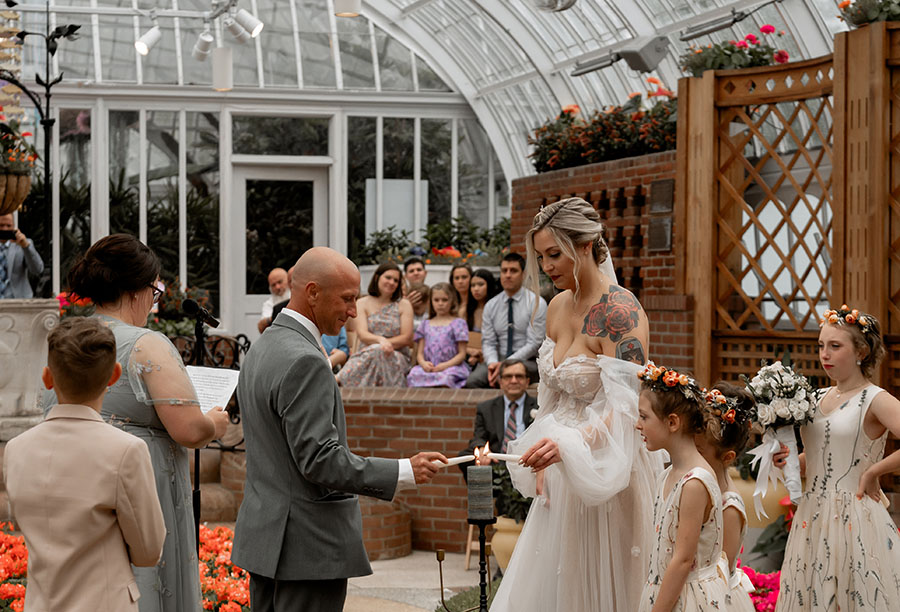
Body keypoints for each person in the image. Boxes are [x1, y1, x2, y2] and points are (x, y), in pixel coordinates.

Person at [231, 247, 447, 612]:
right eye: (347, 299)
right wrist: (403, 470)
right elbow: (319, 461)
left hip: (268, 542)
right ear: (312, 292)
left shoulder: (263, 346)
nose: (352, 311)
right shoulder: (305, 359)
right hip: (307, 548)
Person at [490, 197, 661, 612]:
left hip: (608, 465)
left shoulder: (620, 313)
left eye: (554, 254)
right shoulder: (557, 305)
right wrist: (548, 447)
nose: (547, 267)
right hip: (561, 468)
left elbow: (627, 408)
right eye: (541, 257)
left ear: (585, 245)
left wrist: (568, 444)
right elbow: (551, 393)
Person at [54, 234, 230, 612]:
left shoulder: (69, 336)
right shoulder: (146, 344)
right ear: (137, 290)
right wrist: (215, 423)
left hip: (74, 482)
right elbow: (188, 429)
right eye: (156, 289)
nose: (155, 299)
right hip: (139, 486)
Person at [4, 317, 166, 612]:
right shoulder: (126, 450)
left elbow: (23, 523)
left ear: (47, 378)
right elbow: (148, 551)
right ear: (114, 375)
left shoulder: (15, 450)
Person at [774, 305, 900, 611]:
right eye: (821, 346)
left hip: (855, 516)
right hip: (812, 516)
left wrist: (874, 472)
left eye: (835, 346)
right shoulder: (815, 398)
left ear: (861, 351)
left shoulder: (875, 398)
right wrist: (789, 461)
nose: (825, 354)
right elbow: (818, 457)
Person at [636, 364, 730, 612]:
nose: (638, 424)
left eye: (644, 417)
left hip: (689, 599)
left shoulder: (694, 482)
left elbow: (683, 560)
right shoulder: (667, 474)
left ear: (673, 422)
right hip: (666, 590)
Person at [696, 383, 756, 611]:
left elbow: (722, 572)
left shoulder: (728, 506)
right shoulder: (700, 486)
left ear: (727, 457)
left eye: (700, 451)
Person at [465, 253, 546, 388]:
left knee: (510, 375)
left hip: (527, 361)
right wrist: (492, 364)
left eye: (513, 271)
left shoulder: (536, 303)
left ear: (523, 274)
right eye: (504, 271)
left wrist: (506, 365)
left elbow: (534, 343)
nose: (508, 275)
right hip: (498, 359)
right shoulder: (491, 305)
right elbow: (488, 341)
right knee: (472, 382)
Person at [336, 262, 413, 387]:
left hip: (396, 355)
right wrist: (380, 341)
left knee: (379, 352)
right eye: (388, 278)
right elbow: (362, 334)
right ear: (377, 277)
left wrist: (386, 344)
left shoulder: (404, 304)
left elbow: (406, 337)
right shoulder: (362, 303)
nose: (392, 282)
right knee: (377, 351)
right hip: (367, 354)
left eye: (396, 280)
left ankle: (340, 379)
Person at [458, 359, 537, 479]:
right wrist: (482, 449)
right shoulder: (486, 408)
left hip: (527, 462)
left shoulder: (539, 407)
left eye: (519, 376)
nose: (514, 380)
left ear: (527, 382)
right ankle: (486, 493)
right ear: (500, 382)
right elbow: (478, 437)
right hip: (497, 462)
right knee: (465, 456)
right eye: (508, 376)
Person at [407, 282, 469, 388]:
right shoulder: (425, 324)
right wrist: (423, 364)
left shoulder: (458, 323)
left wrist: (445, 366)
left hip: (451, 367)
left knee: (446, 378)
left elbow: (462, 354)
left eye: (444, 300)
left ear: (452, 301)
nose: (440, 303)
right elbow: (420, 353)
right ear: (431, 302)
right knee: (413, 376)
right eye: (436, 300)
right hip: (429, 368)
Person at [0, 213, 43, 299]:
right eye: (1, 225)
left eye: (9, 225)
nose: (5, 228)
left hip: (19, 302)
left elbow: (37, 270)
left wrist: (26, 247)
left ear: (14, 226)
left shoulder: (23, 244)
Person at [464, 268, 499, 369]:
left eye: (480, 284)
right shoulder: (466, 311)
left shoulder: (497, 310)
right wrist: (472, 352)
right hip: (469, 357)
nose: (476, 289)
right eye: (473, 285)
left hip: (493, 357)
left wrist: (480, 353)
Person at [257, 267, 291, 333]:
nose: (277, 287)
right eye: (273, 285)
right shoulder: (269, 304)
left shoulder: (296, 296)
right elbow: (261, 327)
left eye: (280, 282)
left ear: (288, 280)